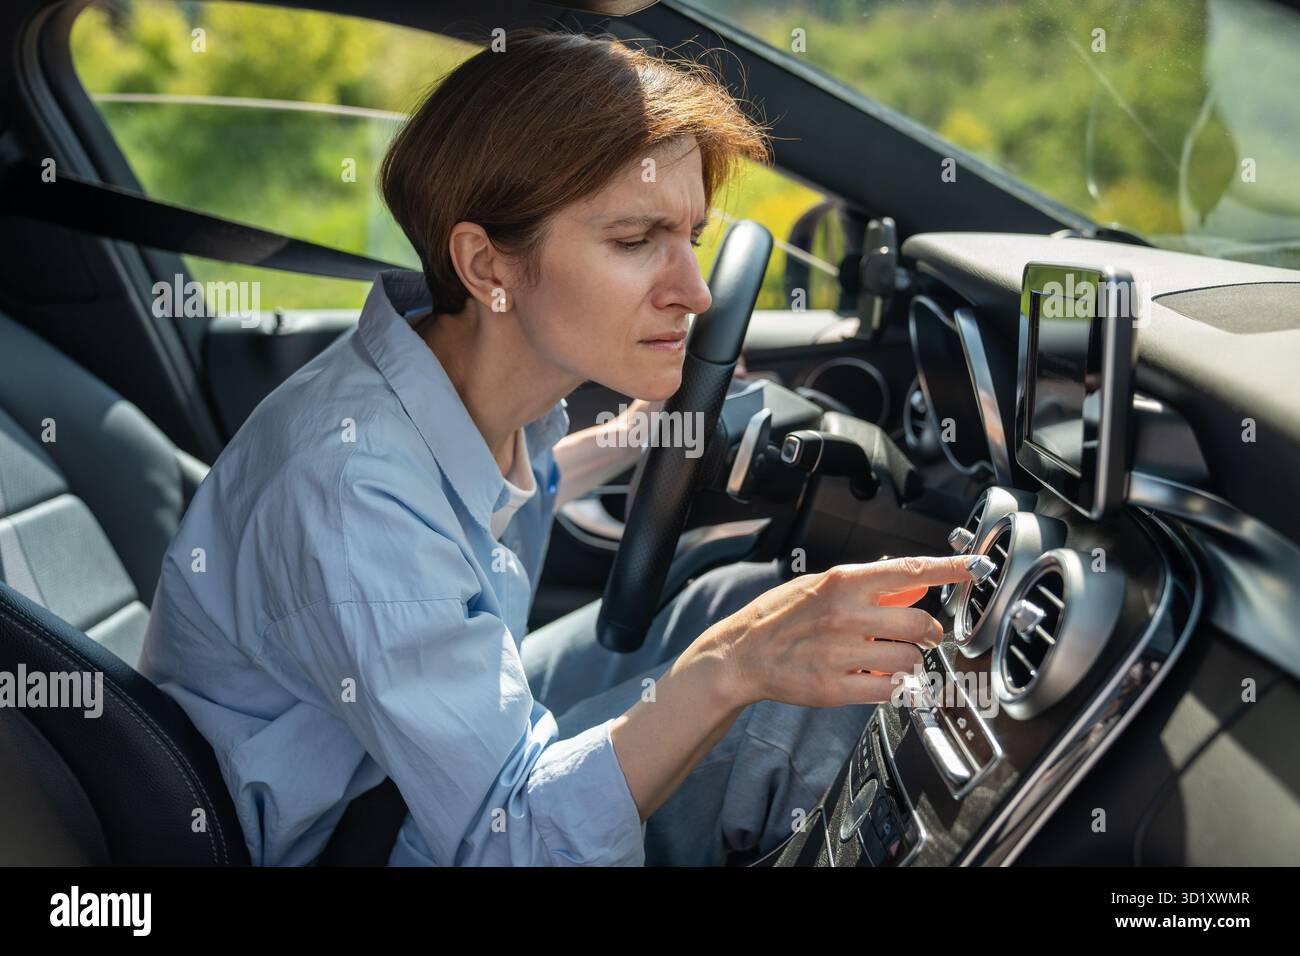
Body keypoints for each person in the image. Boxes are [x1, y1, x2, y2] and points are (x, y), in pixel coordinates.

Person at [139, 28, 973, 867]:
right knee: (785, 689)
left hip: (401, 760)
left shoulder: (454, 389)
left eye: (692, 236)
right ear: (486, 265)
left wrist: (631, 441)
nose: (694, 291)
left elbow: (486, 503)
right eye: (634, 241)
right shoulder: (351, 487)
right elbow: (514, 839)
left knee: (728, 599)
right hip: (364, 832)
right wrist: (732, 667)